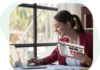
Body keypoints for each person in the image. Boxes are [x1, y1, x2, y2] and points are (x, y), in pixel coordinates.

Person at [27, 10, 93, 67]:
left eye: (57, 26)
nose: (55, 30)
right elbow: (51, 58)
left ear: (67, 24)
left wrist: (89, 61)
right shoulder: (62, 42)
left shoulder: (91, 38)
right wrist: (38, 61)